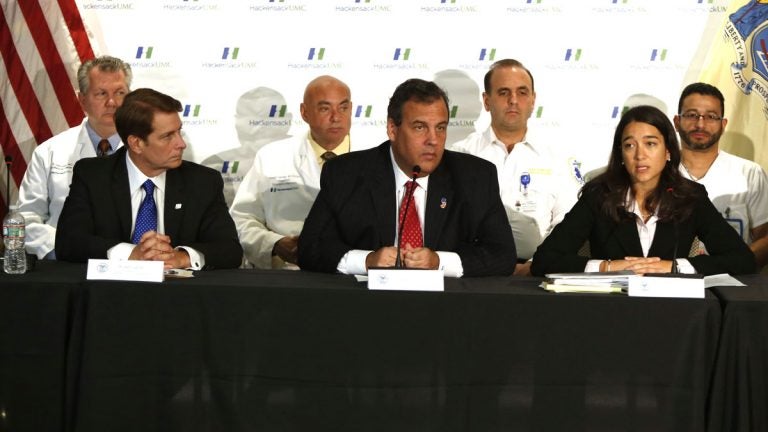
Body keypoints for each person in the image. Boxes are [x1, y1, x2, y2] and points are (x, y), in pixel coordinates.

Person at [298, 78, 517, 277]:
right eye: (420, 127)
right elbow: (310, 248)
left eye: (440, 128)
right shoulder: (346, 174)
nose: (433, 140)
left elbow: (503, 255)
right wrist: (366, 260)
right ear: (392, 129)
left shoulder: (475, 177)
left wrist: (439, 262)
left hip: (448, 308)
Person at [531, 105, 755, 276]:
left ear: (668, 151)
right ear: (621, 154)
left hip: (675, 312)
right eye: (630, 145)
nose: (640, 155)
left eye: (650, 144)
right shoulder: (598, 196)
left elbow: (742, 259)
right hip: (611, 310)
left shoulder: (691, 197)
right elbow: (545, 260)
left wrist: (674, 267)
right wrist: (607, 267)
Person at [55, 88, 242, 270]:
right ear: (136, 143)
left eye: (179, 131)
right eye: (167, 136)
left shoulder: (203, 182)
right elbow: (69, 242)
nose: (181, 144)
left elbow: (230, 249)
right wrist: (131, 254)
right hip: (108, 294)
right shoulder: (93, 176)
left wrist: (182, 257)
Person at [450, 59, 579, 276]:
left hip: (537, 273)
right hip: (475, 273)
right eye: (503, 92)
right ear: (486, 101)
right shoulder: (460, 155)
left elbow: (567, 225)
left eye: (522, 92)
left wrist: (537, 264)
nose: (513, 100)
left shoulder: (557, 159)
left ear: (533, 100)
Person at [230, 75, 356, 269]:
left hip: (355, 274)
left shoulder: (376, 158)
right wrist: (274, 244)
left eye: (343, 107)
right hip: (288, 274)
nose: (336, 117)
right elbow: (241, 219)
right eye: (324, 108)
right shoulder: (272, 156)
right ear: (304, 113)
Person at [17, 55, 131, 260]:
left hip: (128, 267)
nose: (112, 102)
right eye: (101, 93)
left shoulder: (147, 150)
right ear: (82, 100)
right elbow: (27, 219)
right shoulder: (49, 152)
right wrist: (68, 249)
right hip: (63, 267)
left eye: (120, 93)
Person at [674, 82, 768, 270]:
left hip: (734, 286)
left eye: (711, 117)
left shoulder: (749, 173)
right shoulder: (659, 174)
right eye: (692, 115)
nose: (700, 124)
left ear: (723, 124)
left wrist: (735, 264)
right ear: (677, 122)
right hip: (673, 284)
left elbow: (765, 238)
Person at [200, 86, 293, 206]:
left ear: (287, 120)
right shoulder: (214, 166)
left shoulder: (312, 157)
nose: (257, 127)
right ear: (236, 121)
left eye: (266, 118)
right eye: (249, 117)